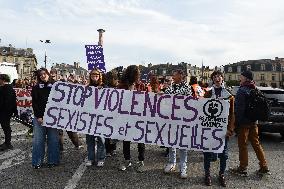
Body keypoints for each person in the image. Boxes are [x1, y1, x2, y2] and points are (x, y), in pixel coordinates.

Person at [231, 70, 270, 176]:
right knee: (256, 144)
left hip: (244, 123)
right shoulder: (255, 88)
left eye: (241, 76)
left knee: (243, 145)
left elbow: (239, 109)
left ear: (246, 78)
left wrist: (236, 124)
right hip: (254, 121)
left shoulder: (242, 90)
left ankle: (242, 168)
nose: (240, 77)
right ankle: (264, 166)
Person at [202, 71, 235, 187]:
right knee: (207, 153)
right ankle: (207, 174)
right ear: (212, 79)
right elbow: (201, 110)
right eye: (215, 77)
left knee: (224, 154)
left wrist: (230, 129)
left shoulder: (228, 95)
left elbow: (232, 114)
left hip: (223, 130)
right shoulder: (207, 94)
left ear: (222, 78)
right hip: (209, 129)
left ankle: (221, 174)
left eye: (219, 76)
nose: (217, 78)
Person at [164, 69, 192, 179]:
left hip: (182, 119)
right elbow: (166, 97)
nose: (172, 77)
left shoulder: (187, 87)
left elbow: (187, 100)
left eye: (174, 75)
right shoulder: (171, 86)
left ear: (181, 76)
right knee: (171, 141)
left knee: (182, 143)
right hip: (171, 118)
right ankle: (172, 162)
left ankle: (183, 165)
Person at [118, 65, 146, 173]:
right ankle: (127, 160)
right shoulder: (122, 86)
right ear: (131, 75)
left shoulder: (141, 86)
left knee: (140, 140)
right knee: (126, 140)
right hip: (126, 117)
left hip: (139, 117)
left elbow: (148, 99)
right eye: (137, 74)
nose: (138, 76)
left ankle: (141, 161)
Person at [31, 68, 60, 169]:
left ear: (48, 74)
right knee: (38, 141)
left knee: (53, 140)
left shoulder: (57, 86)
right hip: (40, 118)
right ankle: (37, 161)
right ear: (39, 77)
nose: (43, 76)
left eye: (44, 74)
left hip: (53, 118)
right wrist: (39, 116)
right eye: (40, 75)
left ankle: (53, 161)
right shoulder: (36, 88)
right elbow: (35, 103)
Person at [85, 68, 106, 167]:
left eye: (96, 74)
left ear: (99, 76)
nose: (94, 76)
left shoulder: (104, 87)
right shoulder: (86, 88)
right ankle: (90, 158)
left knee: (101, 139)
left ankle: (101, 158)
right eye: (93, 74)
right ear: (90, 76)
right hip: (89, 117)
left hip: (101, 117)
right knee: (90, 139)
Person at [0, 74, 17, 151]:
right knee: (5, 127)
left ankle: (8, 143)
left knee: (6, 127)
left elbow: (9, 102)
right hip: (4, 112)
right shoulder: (5, 88)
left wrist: (9, 111)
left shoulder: (7, 88)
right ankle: (7, 143)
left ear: (3, 80)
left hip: (5, 112)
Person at [104, 70, 119, 157]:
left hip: (112, 114)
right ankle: (111, 149)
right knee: (110, 132)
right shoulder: (105, 88)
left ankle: (110, 149)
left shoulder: (117, 89)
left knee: (110, 132)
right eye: (115, 79)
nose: (117, 81)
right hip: (110, 114)